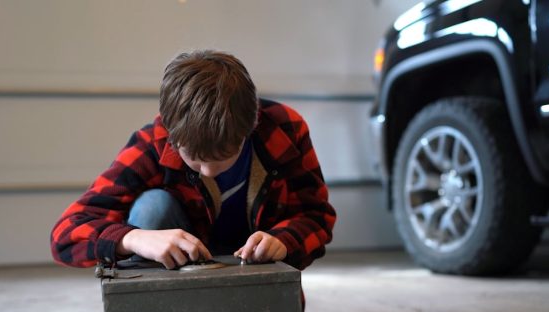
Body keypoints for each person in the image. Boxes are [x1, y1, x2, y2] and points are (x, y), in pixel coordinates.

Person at [50, 50, 335, 271]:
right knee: (152, 209)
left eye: (224, 157)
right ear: (171, 135)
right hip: (178, 287)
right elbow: (64, 235)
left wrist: (283, 241)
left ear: (251, 127)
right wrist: (134, 238)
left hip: (256, 281)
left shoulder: (285, 129)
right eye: (195, 161)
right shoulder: (152, 144)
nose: (209, 171)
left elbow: (318, 217)